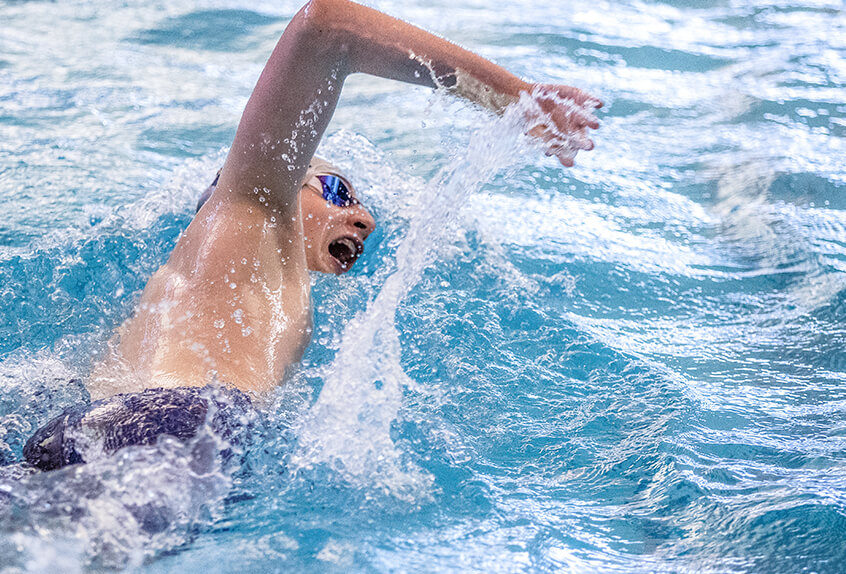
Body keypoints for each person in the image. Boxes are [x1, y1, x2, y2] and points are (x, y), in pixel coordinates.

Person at [22, 0, 602, 471]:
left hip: (91, 427)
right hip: (178, 426)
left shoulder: (193, 299)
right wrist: (514, 97)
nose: (366, 218)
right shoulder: (251, 207)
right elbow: (326, 29)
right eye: (339, 191)